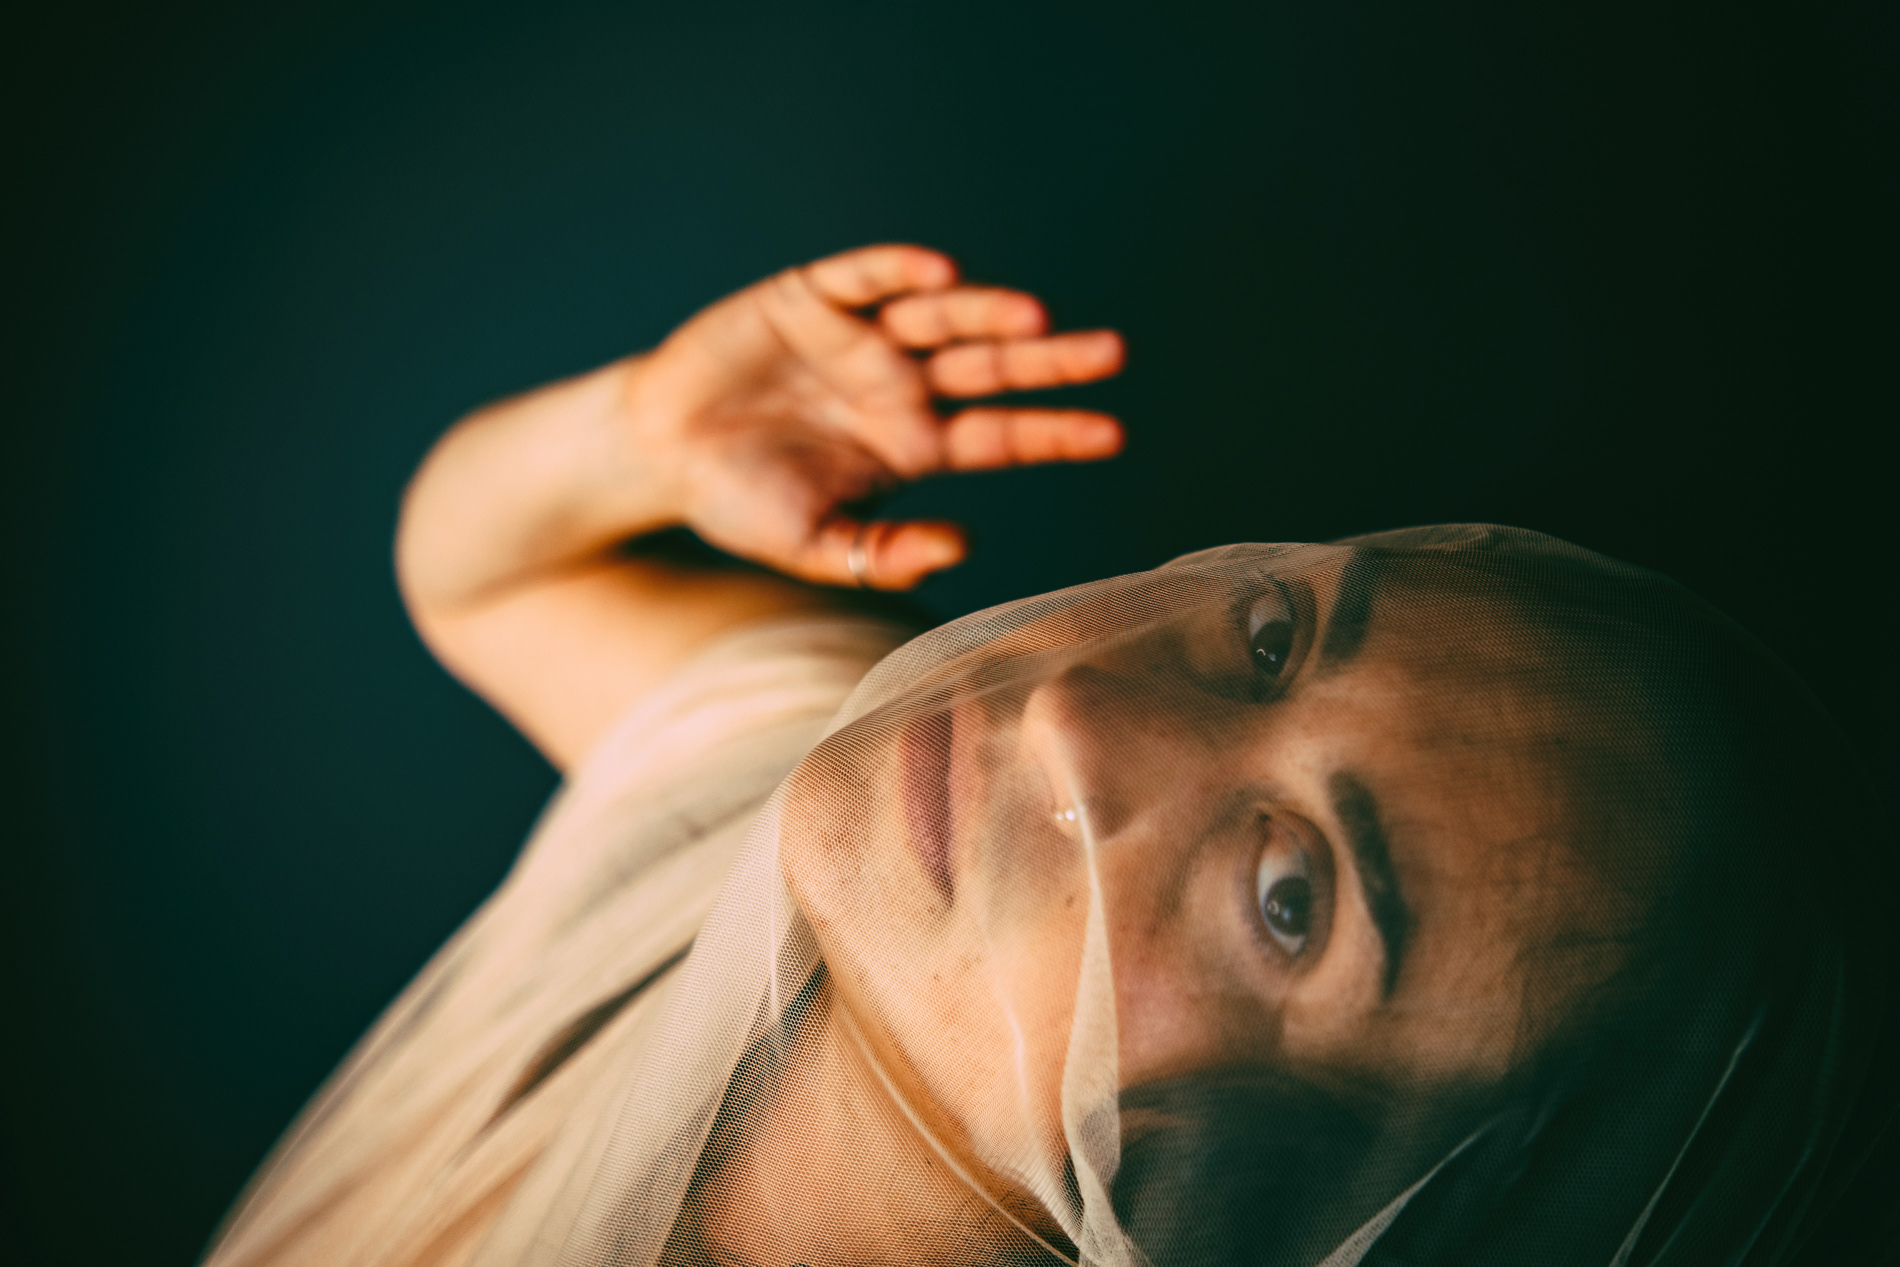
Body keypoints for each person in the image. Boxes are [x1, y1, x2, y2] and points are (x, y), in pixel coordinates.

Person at [201, 247, 1897, 1267]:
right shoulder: (773, 841)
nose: (1081, 722)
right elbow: (493, 577)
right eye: (1272, 640)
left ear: (1299, 1210)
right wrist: (642, 432)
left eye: (1288, 896)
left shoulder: (904, 864)